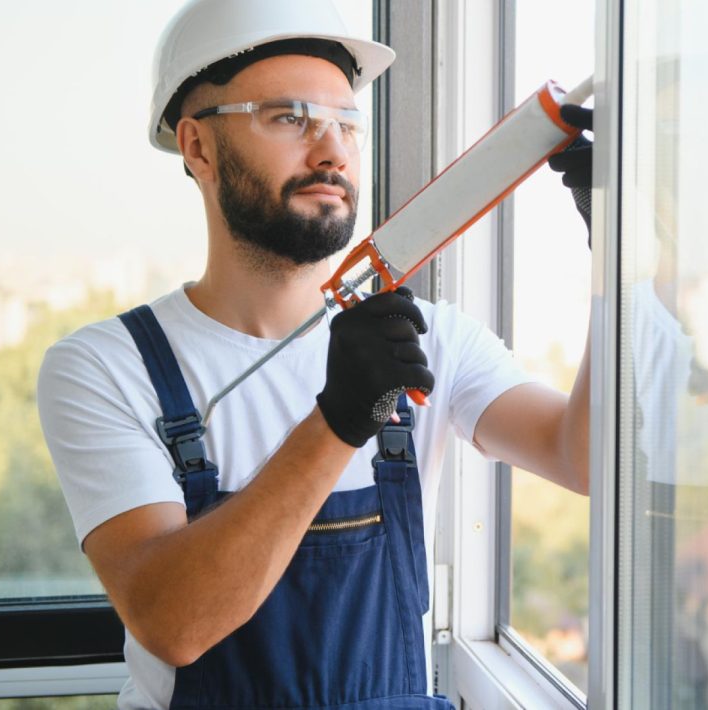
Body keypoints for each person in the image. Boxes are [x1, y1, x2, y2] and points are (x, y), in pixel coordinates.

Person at [35, 1, 593, 708]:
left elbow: (584, 459)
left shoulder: (428, 339)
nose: (331, 151)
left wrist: (625, 263)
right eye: (290, 118)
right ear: (197, 147)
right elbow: (174, 622)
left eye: (346, 124)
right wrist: (338, 422)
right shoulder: (107, 367)